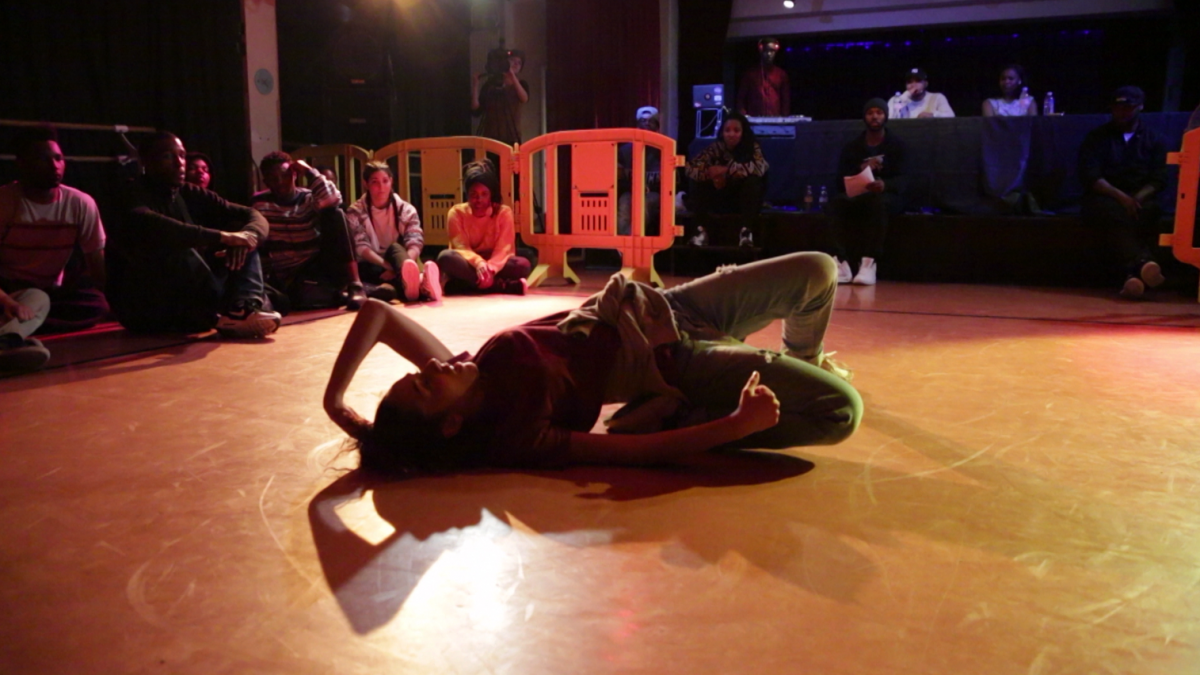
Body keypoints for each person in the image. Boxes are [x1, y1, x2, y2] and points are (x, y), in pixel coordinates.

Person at [323, 252, 861, 473]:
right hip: (672, 365)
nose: (432, 368)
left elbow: (377, 313)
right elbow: (635, 453)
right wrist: (735, 426)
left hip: (663, 308)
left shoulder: (469, 371)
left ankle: (806, 359)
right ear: (451, 424)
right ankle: (686, 411)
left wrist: (336, 403)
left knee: (818, 272)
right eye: (425, 386)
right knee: (840, 412)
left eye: (418, 373)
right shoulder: (519, 434)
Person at [106, 131, 281, 337]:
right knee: (179, 247)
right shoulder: (129, 193)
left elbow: (253, 214)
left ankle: (243, 308)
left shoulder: (188, 192)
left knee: (244, 239)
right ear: (146, 161)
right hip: (145, 304)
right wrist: (223, 236)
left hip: (189, 296)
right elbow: (156, 226)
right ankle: (232, 311)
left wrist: (246, 239)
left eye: (181, 155)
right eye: (168, 156)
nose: (179, 163)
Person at [0, 125, 109, 371]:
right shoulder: (5, 201)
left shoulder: (80, 203)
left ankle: (11, 332)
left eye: (58, 158)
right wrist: (8, 301)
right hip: (7, 290)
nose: (54, 166)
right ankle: (9, 340)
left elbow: (96, 263)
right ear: (22, 164)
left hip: (48, 292)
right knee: (37, 300)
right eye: (43, 159)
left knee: (96, 305)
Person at [1078, 86, 1169, 299]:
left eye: (1128, 107)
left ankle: (1131, 277)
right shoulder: (1097, 137)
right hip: (1107, 197)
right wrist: (1121, 197)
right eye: (1117, 108)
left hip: (1141, 198)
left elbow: (1159, 179)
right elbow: (1091, 176)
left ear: (1140, 107)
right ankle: (1142, 265)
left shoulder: (1155, 138)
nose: (1122, 112)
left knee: (1147, 211)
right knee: (1109, 212)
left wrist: (1136, 198)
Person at [252, 151, 366, 312]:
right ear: (266, 182)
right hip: (288, 274)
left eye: (285, 176)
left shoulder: (308, 198)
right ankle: (359, 293)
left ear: (294, 175)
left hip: (315, 264)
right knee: (295, 298)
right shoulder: (259, 204)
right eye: (273, 179)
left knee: (336, 213)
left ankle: (356, 286)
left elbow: (334, 198)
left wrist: (309, 172)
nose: (280, 182)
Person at [824, 99, 907, 286]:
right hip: (859, 194)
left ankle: (869, 263)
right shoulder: (853, 146)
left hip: (886, 196)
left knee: (878, 204)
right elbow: (840, 180)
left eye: (879, 112)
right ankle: (841, 263)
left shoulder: (897, 145)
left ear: (886, 116)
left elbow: (905, 179)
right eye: (870, 113)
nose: (875, 116)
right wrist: (860, 170)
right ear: (864, 117)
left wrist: (885, 185)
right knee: (834, 204)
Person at [345, 161, 439, 303]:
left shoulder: (406, 209)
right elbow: (361, 247)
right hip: (373, 263)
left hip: (399, 259)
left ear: (391, 181)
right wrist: (391, 268)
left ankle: (408, 284)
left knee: (395, 248)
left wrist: (401, 266)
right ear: (366, 184)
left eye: (385, 181)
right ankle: (419, 285)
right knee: (364, 273)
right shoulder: (355, 212)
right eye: (375, 182)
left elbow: (415, 240)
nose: (381, 187)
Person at [436, 160, 531, 295]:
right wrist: (479, 263)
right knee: (445, 257)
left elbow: (503, 248)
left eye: (484, 194)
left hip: (494, 264)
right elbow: (461, 247)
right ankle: (501, 286)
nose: (479, 200)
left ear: (491, 194)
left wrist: (490, 268)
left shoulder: (504, 212)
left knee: (523, 265)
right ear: (467, 194)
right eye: (474, 195)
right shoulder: (456, 213)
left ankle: (463, 286)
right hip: (469, 263)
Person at [685, 114, 769, 236]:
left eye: (736, 131)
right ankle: (700, 232)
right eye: (727, 130)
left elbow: (760, 168)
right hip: (720, 197)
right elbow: (690, 168)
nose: (731, 134)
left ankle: (746, 232)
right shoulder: (716, 148)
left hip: (743, 199)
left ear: (743, 132)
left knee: (753, 181)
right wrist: (711, 176)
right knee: (696, 181)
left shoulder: (753, 147)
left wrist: (727, 171)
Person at [617, 106, 663, 237]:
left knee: (643, 204)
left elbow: (672, 182)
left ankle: (635, 242)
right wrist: (634, 188)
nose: (647, 124)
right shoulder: (624, 150)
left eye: (651, 121)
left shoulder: (664, 149)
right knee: (625, 203)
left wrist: (648, 188)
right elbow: (618, 179)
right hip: (630, 192)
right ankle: (625, 243)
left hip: (654, 193)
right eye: (643, 121)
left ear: (657, 126)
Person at [472, 48, 529, 146]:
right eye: (512, 60)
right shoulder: (490, 84)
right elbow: (476, 109)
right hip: (490, 139)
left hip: (511, 138)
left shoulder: (521, 84)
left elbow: (524, 98)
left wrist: (512, 76)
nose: (516, 64)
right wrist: (475, 85)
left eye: (519, 63)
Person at [737, 36, 790, 118]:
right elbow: (741, 98)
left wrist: (784, 119)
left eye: (772, 51)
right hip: (754, 119)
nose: (769, 54)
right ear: (761, 50)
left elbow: (785, 100)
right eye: (766, 50)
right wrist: (744, 116)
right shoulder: (750, 74)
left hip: (775, 119)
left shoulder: (781, 74)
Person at [888, 69, 954, 119]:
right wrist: (903, 98)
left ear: (926, 84)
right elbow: (889, 119)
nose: (913, 85)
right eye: (909, 82)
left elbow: (951, 116)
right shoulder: (896, 100)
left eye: (918, 81)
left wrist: (933, 115)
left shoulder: (937, 98)